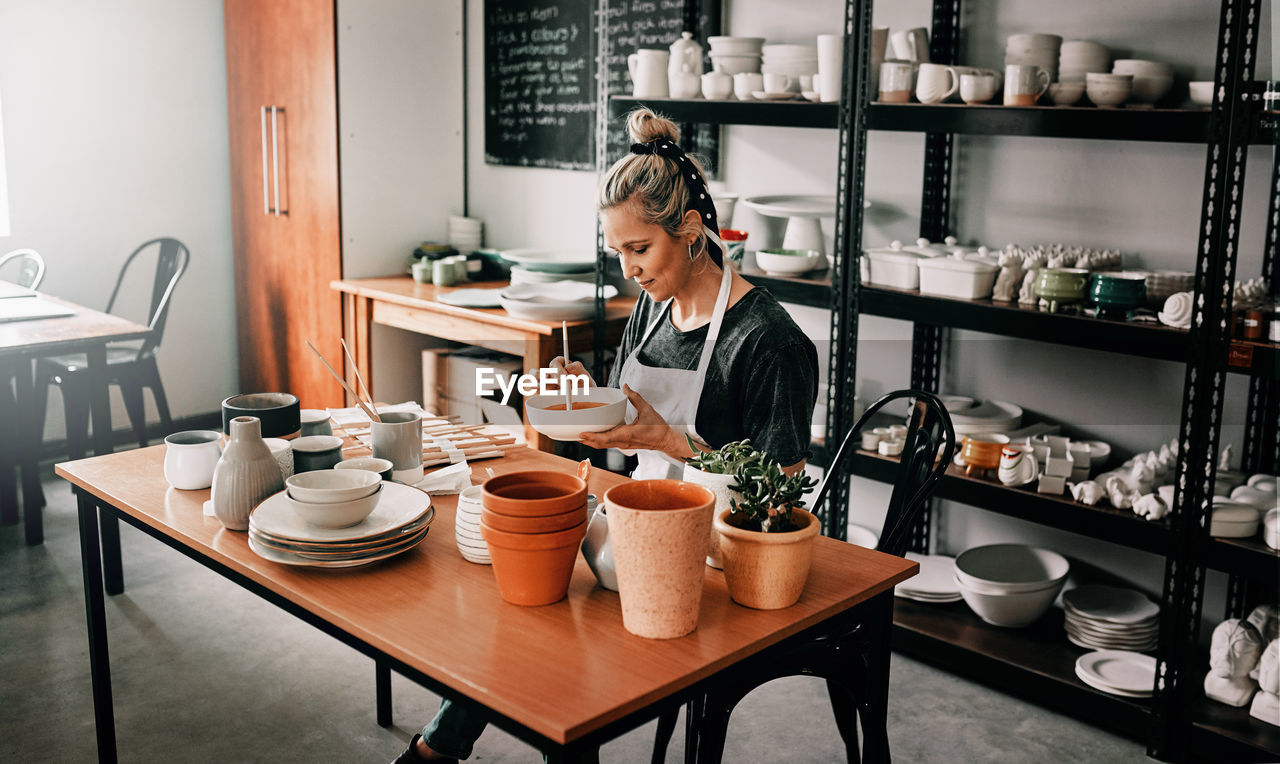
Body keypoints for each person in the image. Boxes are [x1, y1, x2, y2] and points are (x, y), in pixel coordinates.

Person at [391, 108, 818, 763]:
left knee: (548, 631)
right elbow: (632, 412)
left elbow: (780, 499)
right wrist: (582, 400)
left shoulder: (768, 341)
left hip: (718, 565)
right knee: (525, 589)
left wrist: (673, 442)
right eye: (618, 252)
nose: (629, 272)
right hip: (636, 520)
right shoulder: (657, 303)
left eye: (639, 250)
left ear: (693, 231)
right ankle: (439, 748)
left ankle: (451, 752)